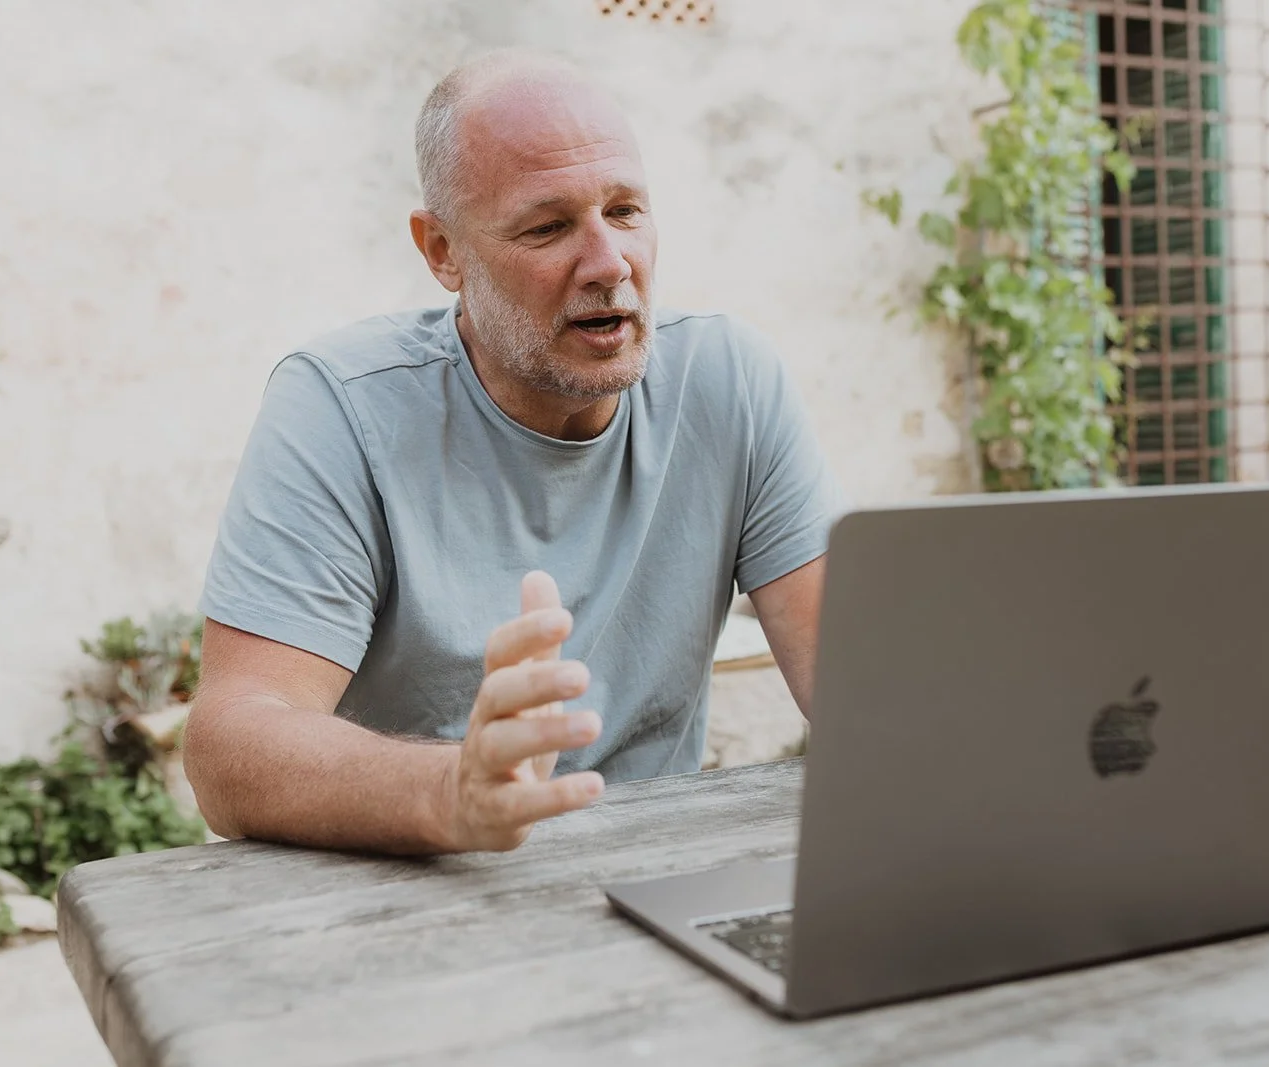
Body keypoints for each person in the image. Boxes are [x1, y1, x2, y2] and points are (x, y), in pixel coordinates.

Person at [182, 51, 842, 856]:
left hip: (656, 876)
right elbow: (230, 746)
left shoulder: (729, 381)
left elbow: (860, 692)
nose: (610, 263)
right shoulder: (341, 407)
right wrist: (449, 792)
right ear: (442, 251)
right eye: (547, 227)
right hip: (410, 892)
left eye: (625, 211)